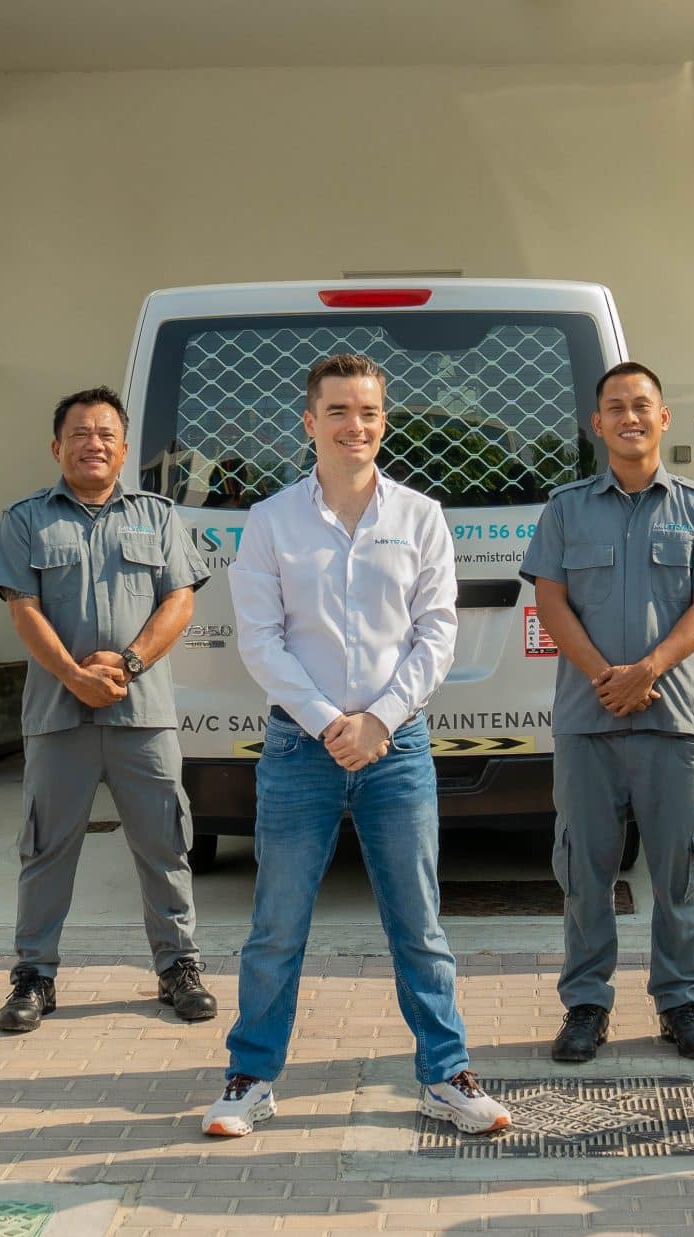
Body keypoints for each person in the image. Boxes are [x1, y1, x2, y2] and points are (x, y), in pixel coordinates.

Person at [202, 353, 510, 1138]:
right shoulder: (270, 522)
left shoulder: (420, 517)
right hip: (300, 750)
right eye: (338, 411)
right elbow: (261, 641)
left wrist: (378, 720)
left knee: (419, 922)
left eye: (369, 412)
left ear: (384, 422)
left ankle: (446, 1073)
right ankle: (250, 1076)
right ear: (309, 422)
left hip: (396, 748)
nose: (355, 425)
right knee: (277, 922)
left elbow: (436, 634)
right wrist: (326, 721)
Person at [521, 362, 694, 1063]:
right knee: (585, 873)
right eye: (615, 407)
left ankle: (680, 1001)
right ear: (597, 424)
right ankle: (586, 1004)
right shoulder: (565, 508)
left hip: (671, 718)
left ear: (664, 417)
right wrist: (602, 676)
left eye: (642, 405)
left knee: (680, 871)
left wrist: (646, 670)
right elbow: (550, 599)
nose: (629, 417)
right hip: (588, 721)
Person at [0, 386, 217, 1032]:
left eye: (106, 434)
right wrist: (71, 674)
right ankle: (34, 975)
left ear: (122, 448)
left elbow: (179, 602)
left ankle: (179, 967)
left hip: (142, 714)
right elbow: (21, 608)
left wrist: (130, 662)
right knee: (46, 849)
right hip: (60, 716)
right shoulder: (26, 519)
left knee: (165, 843)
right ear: (56, 447)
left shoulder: (158, 516)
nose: (93, 443)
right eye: (80, 433)